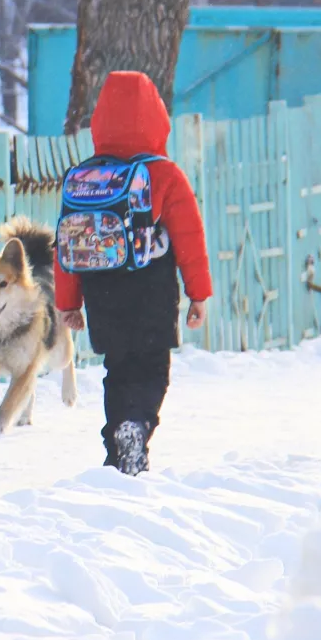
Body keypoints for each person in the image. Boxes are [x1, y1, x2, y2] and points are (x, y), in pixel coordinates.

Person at [54, 70, 211, 475]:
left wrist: (68, 303)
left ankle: (116, 449)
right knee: (152, 368)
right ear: (158, 118)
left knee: (118, 370)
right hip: (152, 289)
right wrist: (198, 295)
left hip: (102, 291)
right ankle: (136, 428)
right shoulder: (165, 174)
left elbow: (67, 242)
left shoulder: (85, 177)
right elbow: (190, 238)